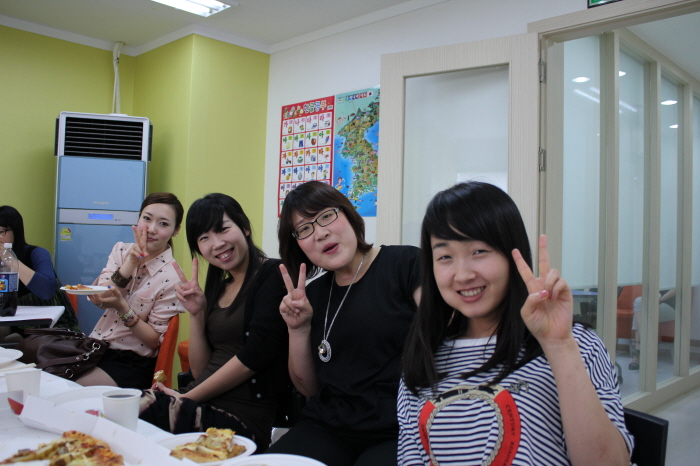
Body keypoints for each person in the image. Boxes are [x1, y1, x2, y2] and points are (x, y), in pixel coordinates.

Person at [398, 181, 633, 465]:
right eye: (445, 256)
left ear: (513, 254)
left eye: (479, 251)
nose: (462, 274)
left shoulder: (573, 343)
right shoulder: (423, 355)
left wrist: (558, 346)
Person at [268, 181, 421, 466]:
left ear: (349, 214)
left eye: (326, 216)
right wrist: (297, 329)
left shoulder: (407, 263)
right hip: (327, 427)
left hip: (399, 429)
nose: (320, 233)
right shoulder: (312, 295)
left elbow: (447, 337)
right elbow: (308, 389)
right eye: (304, 229)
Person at [139, 193, 290, 452]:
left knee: (134, 408)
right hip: (202, 403)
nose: (217, 244)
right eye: (204, 237)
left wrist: (185, 398)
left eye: (222, 229)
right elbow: (199, 371)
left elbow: (256, 355)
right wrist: (197, 314)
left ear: (244, 227)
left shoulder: (273, 274)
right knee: (121, 405)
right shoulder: (219, 288)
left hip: (241, 417)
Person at [79, 192, 185, 389]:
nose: (151, 229)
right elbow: (100, 297)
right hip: (97, 347)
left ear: (175, 230)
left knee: (72, 387)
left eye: (163, 224)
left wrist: (122, 308)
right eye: (147, 218)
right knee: (45, 368)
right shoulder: (121, 251)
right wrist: (130, 262)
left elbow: (154, 341)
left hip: (132, 361)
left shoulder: (172, 277)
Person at [0, 206, 79, 339]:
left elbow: (46, 291)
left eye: (1, 232)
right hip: (10, 322)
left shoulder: (37, 254)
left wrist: (10, 259)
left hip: (48, 328)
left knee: (17, 339)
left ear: (16, 230)